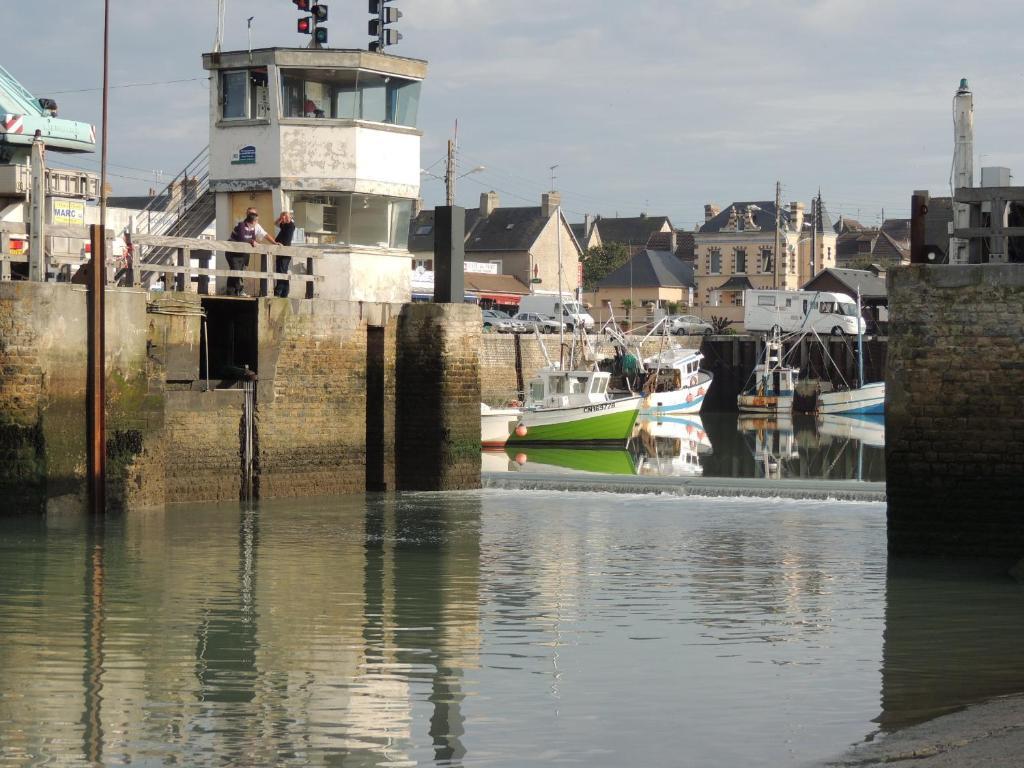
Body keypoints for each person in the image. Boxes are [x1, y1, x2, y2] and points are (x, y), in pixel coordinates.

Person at [226, 207, 276, 297]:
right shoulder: (242, 225)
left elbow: (264, 234)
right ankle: (239, 291)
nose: (256, 221)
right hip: (233, 252)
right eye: (251, 214)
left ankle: (231, 292)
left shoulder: (254, 227)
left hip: (243, 253)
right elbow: (242, 239)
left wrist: (275, 243)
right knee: (236, 271)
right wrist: (251, 241)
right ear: (251, 219)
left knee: (238, 271)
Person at [273, 211, 296, 297]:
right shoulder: (284, 225)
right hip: (280, 251)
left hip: (285, 252)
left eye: (285, 217)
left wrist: (286, 217)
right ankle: (284, 293)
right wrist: (280, 218)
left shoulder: (290, 225)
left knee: (281, 271)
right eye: (283, 217)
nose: (283, 219)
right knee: (282, 271)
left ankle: (278, 291)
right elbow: (275, 223)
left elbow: (289, 220)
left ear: (289, 218)